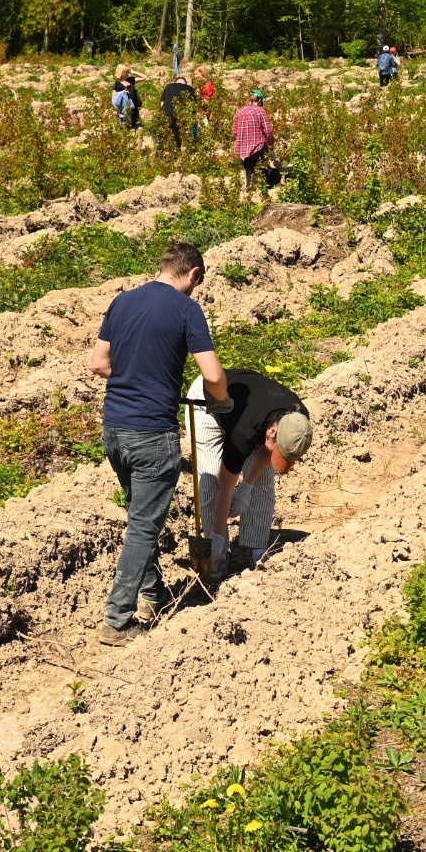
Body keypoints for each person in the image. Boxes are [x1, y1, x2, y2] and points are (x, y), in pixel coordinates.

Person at [89, 241, 232, 645]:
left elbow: (99, 363)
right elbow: (213, 376)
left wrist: (136, 377)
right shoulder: (187, 309)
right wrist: (222, 401)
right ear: (194, 274)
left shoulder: (122, 302)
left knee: (141, 516)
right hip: (152, 433)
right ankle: (118, 620)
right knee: (143, 526)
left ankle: (153, 594)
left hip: (115, 429)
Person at [185, 368, 312, 582]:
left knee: (263, 479)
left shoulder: (299, 425)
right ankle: (217, 554)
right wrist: (218, 537)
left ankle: (257, 551)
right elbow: (225, 486)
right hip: (208, 401)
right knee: (212, 481)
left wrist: (247, 486)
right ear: (272, 432)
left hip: (250, 408)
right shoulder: (245, 431)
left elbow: (267, 450)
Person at [232, 88, 277, 192]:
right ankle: (266, 184)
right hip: (258, 146)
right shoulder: (260, 111)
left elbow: (235, 131)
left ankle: (249, 186)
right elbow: (268, 131)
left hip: (243, 148)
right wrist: (271, 144)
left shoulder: (240, 111)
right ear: (260, 100)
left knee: (249, 166)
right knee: (263, 166)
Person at [160, 75, 197, 150]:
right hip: (178, 114)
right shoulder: (189, 88)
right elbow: (194, 105)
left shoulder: (168, 86)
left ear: (175, 82)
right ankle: (178, 149)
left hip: (166, 113)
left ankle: (162, 149)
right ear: (185, 83)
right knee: (177, 133)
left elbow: (162, 104)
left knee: (164, 134)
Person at [112, 63, 144, 130]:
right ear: (122, 72)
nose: (128, 73)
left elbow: (144, 77)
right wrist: (123, 92)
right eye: (126, 71)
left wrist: (134, 72)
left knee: (138, 127)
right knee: (126, 127)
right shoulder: (117, 83)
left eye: (128, 71)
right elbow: (114, 98)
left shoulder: (131, 80)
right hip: (125, 109)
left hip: (134, 108)